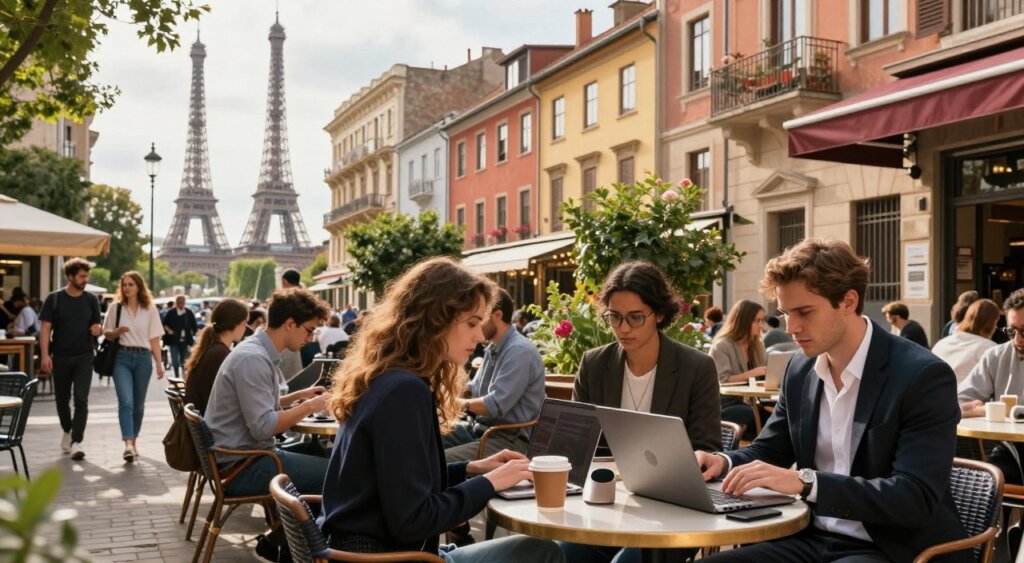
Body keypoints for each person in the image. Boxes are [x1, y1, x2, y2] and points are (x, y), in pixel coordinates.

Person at [696, 238, 965, 563]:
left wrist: (806, 483)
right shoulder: (799, 369)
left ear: (848, 301)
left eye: (804, 312)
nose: (791, 328)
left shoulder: (921, 375)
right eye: (784, 314)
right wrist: (722, 463)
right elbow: (770, 450)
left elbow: (913, 497)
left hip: (890, 548)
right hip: (807, 537)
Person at [320, 257, 563, 562]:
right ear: (435, 319)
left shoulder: (386, 377)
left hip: (359, 548)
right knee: (541, 550)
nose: (478, 336)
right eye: (472, 323)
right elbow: (415, 520)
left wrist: (472, 469)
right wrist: (491, 483)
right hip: (394, 556)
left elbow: (401, 483)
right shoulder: (405, 391)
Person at [565, 261, 720, 563]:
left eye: (635, 317)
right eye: (614, 317)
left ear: (659, 314)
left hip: (672, 514)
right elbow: (576, 444)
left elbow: (708, 448)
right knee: (560, 553)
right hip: (604, 507)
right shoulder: (594, 364)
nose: (623, 328)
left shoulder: (696, 368)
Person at [204, 288, 333, 497]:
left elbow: (256, 406)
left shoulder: (255, 351)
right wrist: (310, 406)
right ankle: (303, 529)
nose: (310, 339)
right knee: (336, 471)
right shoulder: (253, 359)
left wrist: (299, 396)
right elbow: (264, 427)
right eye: (309, 330)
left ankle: (298, 526)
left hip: (245, 458)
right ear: (290, 324)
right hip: (242, 468)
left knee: (323, 453)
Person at [444, 288, 545, 462]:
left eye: (477, 321)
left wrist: (456, 404)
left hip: (507, 440)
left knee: (438, 460)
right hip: (481, 431)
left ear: (497, 315)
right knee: (424, 441)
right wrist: (442, 393)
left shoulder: (519, 351)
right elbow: (474, 389)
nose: (474, 329)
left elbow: (496, 405)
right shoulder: (494, 348)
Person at [957, 288, 1024, 484]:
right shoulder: (996, 356)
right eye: (1011, 331)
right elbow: (960, 402)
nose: (1017, 339)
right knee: (978, 482)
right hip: (1010, 449)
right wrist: (980, 410)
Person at [39, 258, 103, 461]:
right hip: (60, 356)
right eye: (82, 276)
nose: (86, 280)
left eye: (87, 276)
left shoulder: (91, 300)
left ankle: (77, 440)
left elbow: (97, 326)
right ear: (70, 277)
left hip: (84, 356)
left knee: (81, 400)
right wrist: (45, 355)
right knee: (61, 400)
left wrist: (97, 330)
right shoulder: (54, 299)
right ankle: (67, 429)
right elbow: (45, 329)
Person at [101, 272, 165, 462]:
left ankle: (134, 440)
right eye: (124, 284)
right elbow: (107, 334)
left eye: (131, 284)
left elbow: (154, 339)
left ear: (139, 287)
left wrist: (160, 364)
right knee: (126, 401)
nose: (127, 287)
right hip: (122, 357)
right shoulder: (116, 308)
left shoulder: (150, 309)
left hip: (144, 359)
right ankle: (128, 443)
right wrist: (116, 332)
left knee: (138, 405)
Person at [710, 300, 768, 440]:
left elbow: (765, 371)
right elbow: (722, 379)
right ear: (744, 321)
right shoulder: (722, 346)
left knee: (774, 419)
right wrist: (753, 373)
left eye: (762, 320)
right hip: (724, 404)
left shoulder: (756, 345)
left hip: (750, 402)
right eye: (757, 321)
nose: (761, 325)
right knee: (755, 417)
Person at [183, 299, 249, 414]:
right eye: (244, 323)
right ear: (235, 323)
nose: (246, 327)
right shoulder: (220, 355)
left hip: (204, 422)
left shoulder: (212, 349)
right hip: (214, 425)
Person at [931, 298, 1000, 383]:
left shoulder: (940, 344)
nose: (996, 327)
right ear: (991, 323)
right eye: (996, 323)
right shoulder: (991, 349)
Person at [162, 294, 198, 378]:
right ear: (176, 303)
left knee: (184, 361)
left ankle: (183, 377)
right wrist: (169, 330)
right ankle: (176, 375)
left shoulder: (188, 313)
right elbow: (164, 324)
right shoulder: (171, 313)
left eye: (183, 302)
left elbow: (194, 326)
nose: (181, 304)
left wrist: (196, 337)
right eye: (179, 302)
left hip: (185, 340)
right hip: (174, 340)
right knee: (175, 361)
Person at [278, 270, 304, 379]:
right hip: (300, 342)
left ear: (284, 281)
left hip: (285, 342)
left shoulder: (285, 299)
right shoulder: (304, 298)